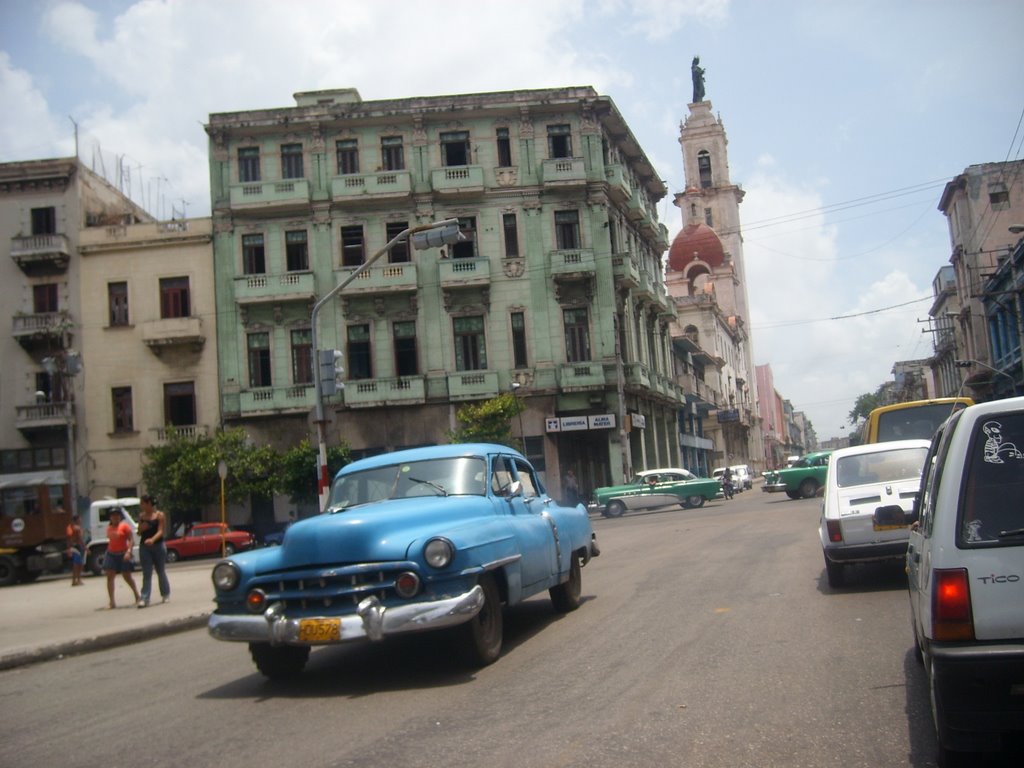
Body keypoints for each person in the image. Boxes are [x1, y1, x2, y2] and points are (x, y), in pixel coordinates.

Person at [137, 494, 170, 607]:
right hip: (144, 547)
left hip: (158, 545)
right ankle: (144, 598)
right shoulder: (142, 516)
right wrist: (142, 528)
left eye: (142, 503)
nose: (141, 506)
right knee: (147, 573)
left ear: (149, 503)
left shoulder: (159, 515)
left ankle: (165, 594)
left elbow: (161, 531)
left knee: (160, 571)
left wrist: (152, 539)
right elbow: (139, 532)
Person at [103, 507, 140, 609]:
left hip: (123, 553)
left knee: (127, 576)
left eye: (117, 515)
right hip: (111, 553)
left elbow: (131, 540)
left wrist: (129, 551)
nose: (115, 517)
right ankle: (112, 602)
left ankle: (137, 595)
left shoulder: (124, 527)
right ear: (110, 517)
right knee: (110, 577)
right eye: (113, 515)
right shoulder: (109, 528)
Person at [66, 511, 85, 586]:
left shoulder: (73, 527)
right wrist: (85, 547)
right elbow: (76, 539)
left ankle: (77, 580)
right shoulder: (74, 528)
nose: (81, 520)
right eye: (79, 519)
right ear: (76, 520)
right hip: (76, 547)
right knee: (77, 564)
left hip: (76, 546)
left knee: (78, 564)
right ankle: (76, 580)